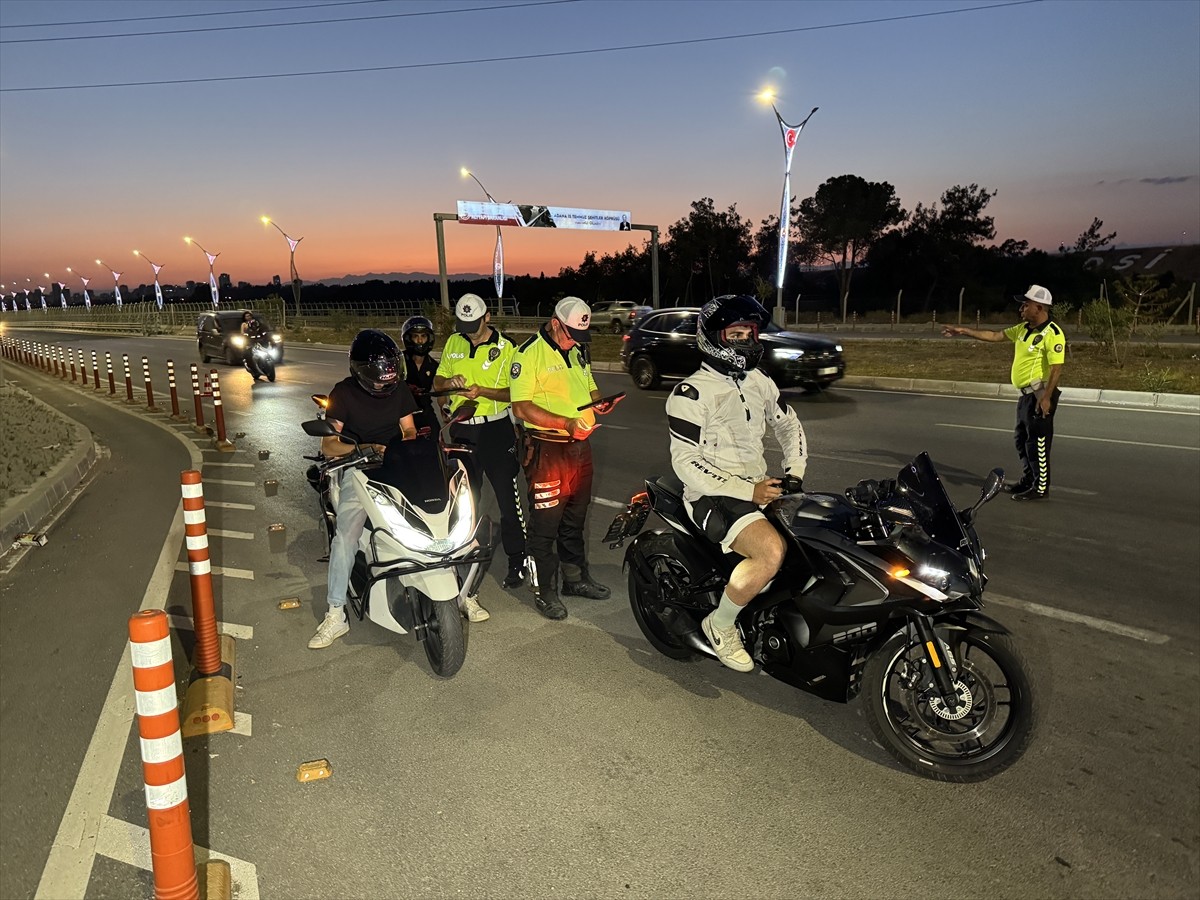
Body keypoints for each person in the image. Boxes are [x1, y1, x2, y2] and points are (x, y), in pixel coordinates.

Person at [666, 295, 808, 673]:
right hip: (712, 495)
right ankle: (721, 623)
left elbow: (786, 423)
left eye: (750, 332)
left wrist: (794, 469)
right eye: (736, 333)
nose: (746, 340)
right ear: (714, 337)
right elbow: (686, 463)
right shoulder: (691, 394)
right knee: (769, 552)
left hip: (758, 484)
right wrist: (748, 491)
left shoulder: (757, 380)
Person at [510, 297, 622, 620]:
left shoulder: (576, 351)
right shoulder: (529, 353)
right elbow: (521, 407)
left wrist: (599, 403)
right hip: (547, 450)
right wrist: (565, 423)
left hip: (579, 448)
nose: (575, 340)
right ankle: (545, 591)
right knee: (545, 525)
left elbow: (590, 390)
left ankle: (575, 579)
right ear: (556, 323)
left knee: (575, 519)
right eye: (571, 333)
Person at [309, 329, 418, 649]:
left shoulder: (399, 391)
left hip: (396, 465)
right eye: (380, 369)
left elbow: (409, 429)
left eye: (390, 366)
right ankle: (335, 613)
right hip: (358, 469)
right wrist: (364, 449)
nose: (387, 375)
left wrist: (403, 448)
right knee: (346, 536)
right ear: (362, 370)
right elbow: (329, 443)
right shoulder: (343, 393)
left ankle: (458, 594)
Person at [432, 294, 528, 622]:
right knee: (462, 501)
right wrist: (450, 384)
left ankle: (518, 561)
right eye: (465, 327)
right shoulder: (454, 343)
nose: (470, 332)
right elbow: (438, 382)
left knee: (506, 497)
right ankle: (460, 560)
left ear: (487, 317)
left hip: (496, 431)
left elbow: (518, 392)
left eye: (475, 326)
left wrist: (485, 392)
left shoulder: (508, 347)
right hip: (463, 431)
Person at [942, 284, 1066, 501]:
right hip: (1025, 396)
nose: (1021, 309)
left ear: (1039, 307)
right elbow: (994, 335)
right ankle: (1028, 480)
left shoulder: (1052, 333)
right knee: (1021, 440)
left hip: (1039, 395)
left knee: (1038, 443)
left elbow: (1057, 368)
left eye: (1025, 305)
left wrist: (1046, 397)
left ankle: (1040, 488)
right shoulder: (1022, 329)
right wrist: (963, 331)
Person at [400, 315, 438, 439]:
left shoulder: (434, 365)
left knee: (436, 438)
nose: (420, 341)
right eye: (416, 336)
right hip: (400, 411)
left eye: (423, 336)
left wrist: (444, 408)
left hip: (424, 409)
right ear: (409, 338)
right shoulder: (398, 361)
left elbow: (441, 389)